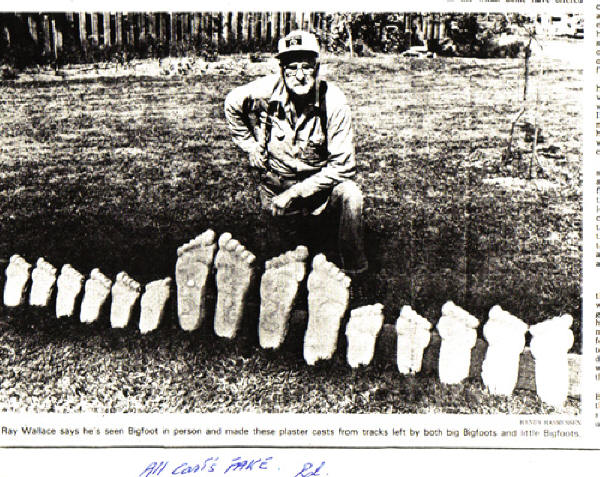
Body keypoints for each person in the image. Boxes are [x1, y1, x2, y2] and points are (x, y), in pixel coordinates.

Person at [224, 30, 367, 275]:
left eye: (306, 67)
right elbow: (231, 103)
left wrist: (296, 192)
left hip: (320, 196)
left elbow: (344, 166)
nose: (299, 76)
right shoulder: (264, 91)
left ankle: (355, 270)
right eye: (291, 68)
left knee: (350, 194)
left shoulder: (334, 101)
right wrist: (250, 146)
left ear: (317, 67)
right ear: (281, 69)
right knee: (281, 271)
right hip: (277, 193)